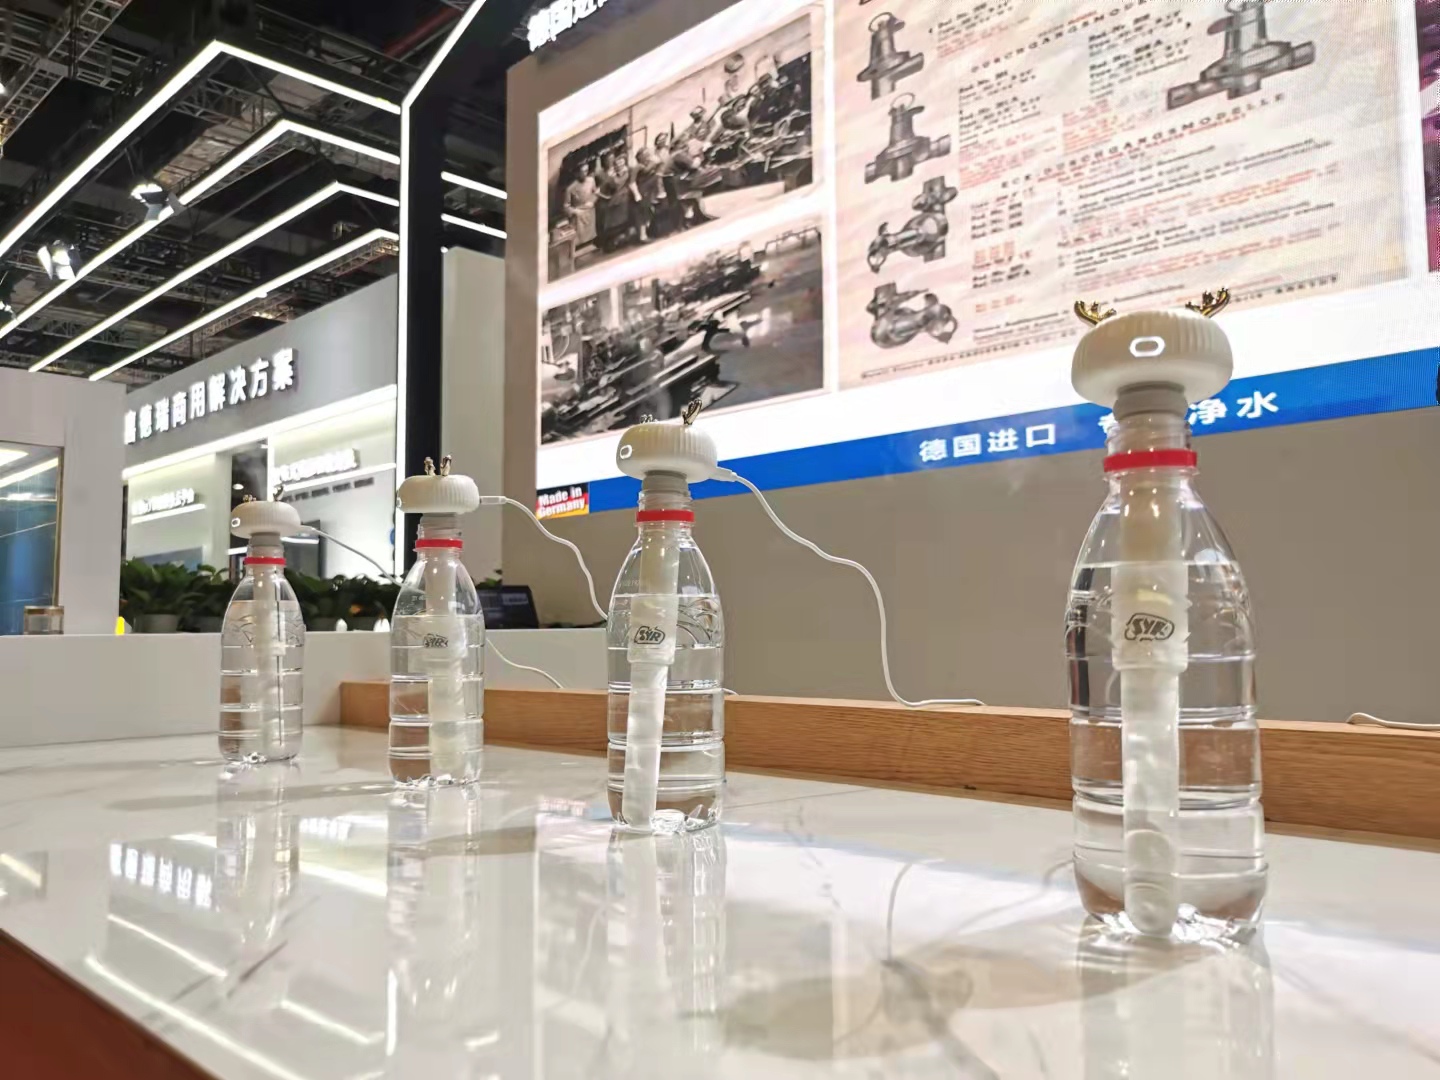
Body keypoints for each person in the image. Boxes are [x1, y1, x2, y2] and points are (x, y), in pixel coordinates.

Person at [563, 160, 598, 247]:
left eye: (587, 170)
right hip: (579, 217)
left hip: (590, 213)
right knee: (581, 242)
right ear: (577, 173)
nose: (586, 173)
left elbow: (595, 193)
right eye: (583, 171)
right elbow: (566, 207)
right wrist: (576, 211)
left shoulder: (591, 180)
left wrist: (592, 201)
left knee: (591, 239)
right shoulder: (570, 188)